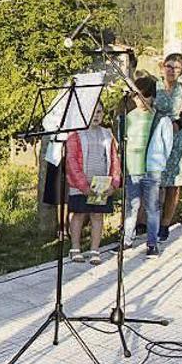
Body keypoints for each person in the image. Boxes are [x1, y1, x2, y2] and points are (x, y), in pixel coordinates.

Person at [122, 77, 174, 257]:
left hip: (151, 169)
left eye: (146, 95)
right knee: (131, 205)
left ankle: (152, 243)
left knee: (152, 207)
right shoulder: (129, 117)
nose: (141, 100)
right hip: (132, 168)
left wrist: (159, 163)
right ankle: (127, 240)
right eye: (137, 96)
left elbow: (167, 145)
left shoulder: (160, 119)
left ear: (153, 96)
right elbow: (124, 141)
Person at [65, 101, 122, 265]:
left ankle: (94, 250)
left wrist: (114, 183)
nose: (96, 116)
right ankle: (75, 248)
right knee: (79, 214)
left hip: (101, 183)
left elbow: (114, 159)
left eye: (99, 112)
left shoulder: (107, 134)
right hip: (80, 184)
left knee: (97, 215)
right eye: (92, 112)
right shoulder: (75, 135)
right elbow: (72, 161)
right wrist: (83, 186)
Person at [154, 53, 182, 241]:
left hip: (177, 137)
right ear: (163, 67)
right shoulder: (153, 87)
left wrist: (177, 124)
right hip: (157, 137)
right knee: (154, 181)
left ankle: (165, 224)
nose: (171, 70)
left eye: (176, 68)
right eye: (169, 66)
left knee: (174, 184)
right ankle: (146, 222)